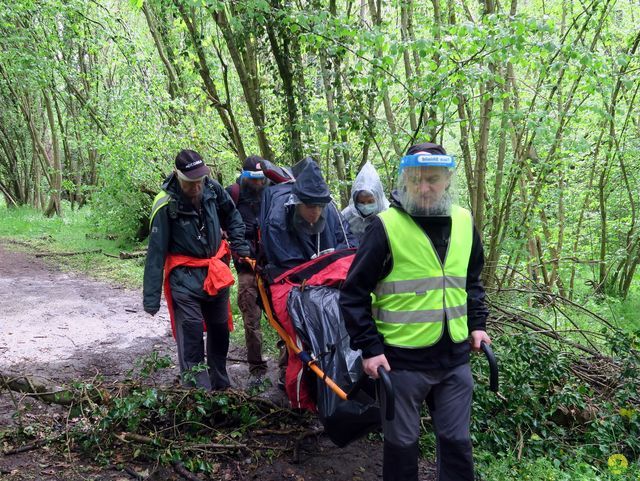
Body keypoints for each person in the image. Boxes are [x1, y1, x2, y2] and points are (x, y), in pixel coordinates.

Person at [339, 142, 491, 481]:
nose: (424, 188)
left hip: (454, 358)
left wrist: (478, 324)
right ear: (404, 180)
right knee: (402, 449)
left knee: (457, 444)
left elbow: (472, 281)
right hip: (401, 363)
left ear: (447, 179)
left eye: (433, 179)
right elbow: (353, 294)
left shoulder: (465, 222)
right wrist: (370, 349)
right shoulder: (386, 227)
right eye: (416, 179)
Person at [143, 149, 250, 391]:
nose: (196, 187)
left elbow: (233, 216)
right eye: (191, 182)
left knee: (220, 329)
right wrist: (151, 298)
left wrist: (240, 243)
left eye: (200, 180)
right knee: (191, 330)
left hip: (215, 274)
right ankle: (197, 392)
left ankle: (221, 386)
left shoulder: (212, 188)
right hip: (184, 279)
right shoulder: (165, 203)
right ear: (177, 175)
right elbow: (156, 252)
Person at [225, 156, 268, 382]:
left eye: (262, 179)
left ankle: (285, 368)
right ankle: (256, 369)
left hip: (272, 268)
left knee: (282, 319)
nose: (259, 184)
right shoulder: (232, 195)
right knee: (251, 319)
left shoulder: (272, 195)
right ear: (245, 177)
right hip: (246, 269)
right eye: (255, 180)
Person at [341, 161, 390, 240]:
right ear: (355, 201)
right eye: (361, 202)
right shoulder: (348, 215)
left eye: (370, 202)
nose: (366, 206)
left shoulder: (388, 214)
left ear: (378, 198)